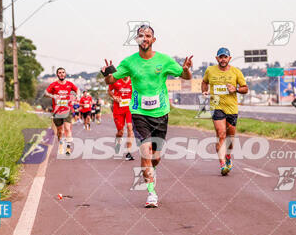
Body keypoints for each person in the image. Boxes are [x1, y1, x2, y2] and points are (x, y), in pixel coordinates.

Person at [102, 25, 193, 207]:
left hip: (160, 114)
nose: (144, 38)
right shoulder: (129, 62)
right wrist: (107, 73)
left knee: (155, 157)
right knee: (145, 152)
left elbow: (186, 77)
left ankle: (151, 169)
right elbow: (111, 80)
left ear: (153, 40)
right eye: (141, 36)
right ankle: (151, 193)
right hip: (139, 113)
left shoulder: (164, 60)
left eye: (148, 36)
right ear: (136, 40)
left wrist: (186, 69)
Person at [202, 47, 248, 175]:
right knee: (221, 134)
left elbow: (245, 88)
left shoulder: (236, 72)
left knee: (230, 139)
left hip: (232, 108)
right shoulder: (210, 70)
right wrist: (204, 91)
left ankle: (228, 156)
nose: (223, 59)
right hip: (217, 106)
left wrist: (236, 89)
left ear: (229, 58)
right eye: (220, 57)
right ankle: (222, 164)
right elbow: (204, 82)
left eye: (225, 57)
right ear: (217, 58)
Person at [44, 67, 79, 155]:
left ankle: (68, 148)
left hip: (67, 109)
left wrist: (77, 96)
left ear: (65, 74)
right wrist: (53, 96)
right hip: (57, 111)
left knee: (67, 128)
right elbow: (46, 93)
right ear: (57, 74)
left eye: (63, 72)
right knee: (60, 131)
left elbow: (77, 90)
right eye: (59, 72)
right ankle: (60, 145)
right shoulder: (54, 85)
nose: (61, 74)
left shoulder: (70, 84)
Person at [108, 77, 135, 160]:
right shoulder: (116, 80)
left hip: (129, 109)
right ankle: (117, 142)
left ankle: (129, 152)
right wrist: (114, 97)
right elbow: (109, 91)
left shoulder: (133, 80)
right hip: (118, 109)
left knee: (130, 127)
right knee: (120, 132)